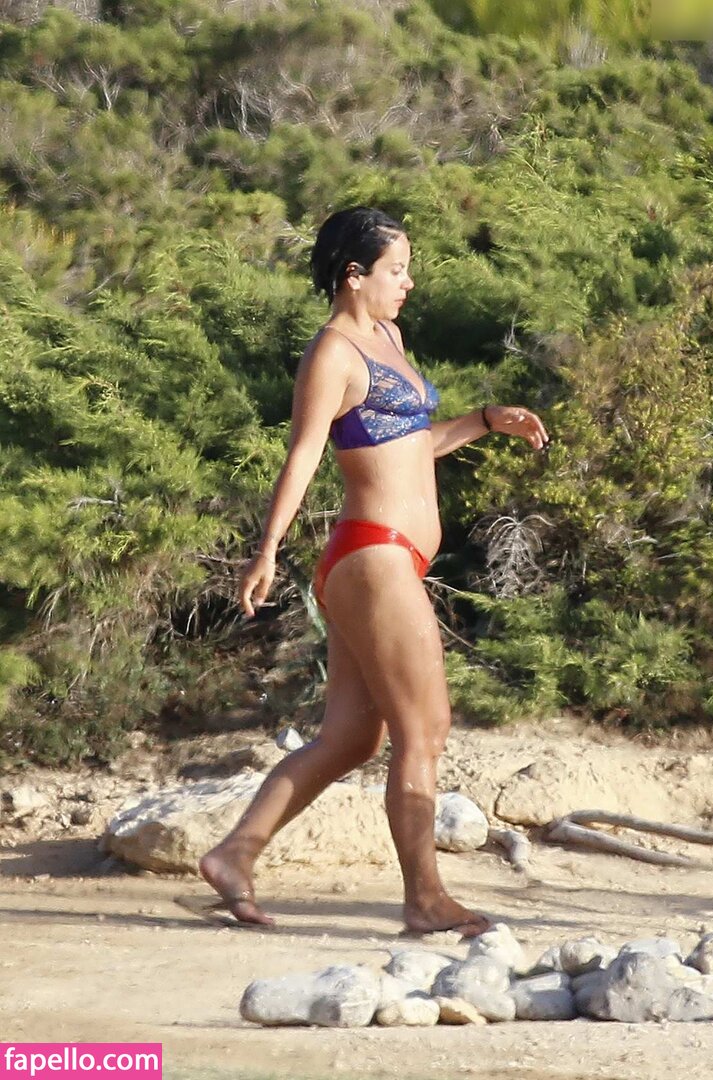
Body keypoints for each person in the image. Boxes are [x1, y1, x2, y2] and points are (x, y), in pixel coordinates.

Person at [196, 206, 549, 936]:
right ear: (354, 275)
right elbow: (304, 454)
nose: (408, 283)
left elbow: (411, 445)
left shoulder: (389, 337)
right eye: (396, 270)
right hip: (372, 553)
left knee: (353, 738)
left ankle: (235, 854)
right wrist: (267, 549)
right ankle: (425, 899)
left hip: (388, 558)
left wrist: (485, 420)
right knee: (426, 728)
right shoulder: (333, 353)